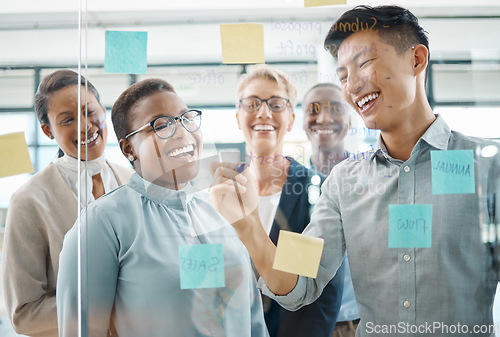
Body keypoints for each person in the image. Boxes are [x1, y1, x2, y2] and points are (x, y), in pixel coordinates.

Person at [210, 5, 500, 337]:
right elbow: (299, 280)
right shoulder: (344, 182)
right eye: (343, 75)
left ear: (416, 59)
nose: (352, 86)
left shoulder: (487, 165)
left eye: (364, 64)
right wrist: (247, 225)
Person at [56, 78, 268, 337]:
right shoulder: (102, 223)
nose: (182, 132)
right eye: (161, 125)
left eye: (185, 118)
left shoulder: (218, 210)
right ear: (128, 148)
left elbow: (252, 315)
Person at [1, 69, 132, 337]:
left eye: (89, 111)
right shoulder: (29, 201)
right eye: (68, 119)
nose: (85, 126)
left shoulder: (133, 181)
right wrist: (105, 307)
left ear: (103, 110)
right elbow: (24, 314)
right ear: (48, 131)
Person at [235, 64, 343, 337]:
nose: (263, 112)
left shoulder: (315, 191)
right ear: (238, 117)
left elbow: (318, 293)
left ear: (292, 119)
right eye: (252, 103)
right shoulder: (223, 193)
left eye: (275, 104)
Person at [302, 83, 360, 337]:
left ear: (349, 119)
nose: (324, 117)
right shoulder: (290, 182)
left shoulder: (371, 178)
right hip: (304, 322)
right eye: (313, 110)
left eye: (336, 109)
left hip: (359, 324)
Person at [302, 83, 350, 175]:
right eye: (313, 110)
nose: (324, 120)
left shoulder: (370, 176)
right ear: (303, 122)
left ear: (350, 121)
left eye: (337, 110)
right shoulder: (289, 180)